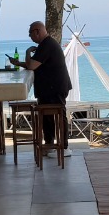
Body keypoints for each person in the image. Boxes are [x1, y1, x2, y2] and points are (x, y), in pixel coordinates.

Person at [15, 21, 71, 152]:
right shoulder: (46, 44)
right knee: (47, 117)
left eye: (30, 33)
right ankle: (50, 145)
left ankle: (63, 147)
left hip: (54, 88)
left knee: (58, 115)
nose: (30, 36)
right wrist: (19, 63)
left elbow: (31, 65)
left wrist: (28, 52)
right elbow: (36, 64)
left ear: (37, 31)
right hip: (51, 88)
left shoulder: (47, 45)